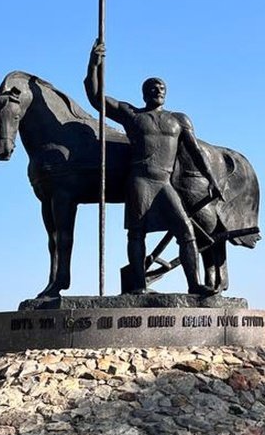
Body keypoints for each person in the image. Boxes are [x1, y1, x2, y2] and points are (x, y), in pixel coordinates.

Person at [85, 40, 224, 295]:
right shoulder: (133, 115)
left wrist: (212, 178)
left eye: (160, 87)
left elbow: (194, 152)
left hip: (164, 183)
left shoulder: (179, 120)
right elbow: (97, 98)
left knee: (186, 229)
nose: (157, 89)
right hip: (140, 181)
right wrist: (94, 64)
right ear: (144, 93)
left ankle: (195, 285)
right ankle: (138, 286)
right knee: (136, 234)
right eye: (152, 87)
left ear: (166, 93)